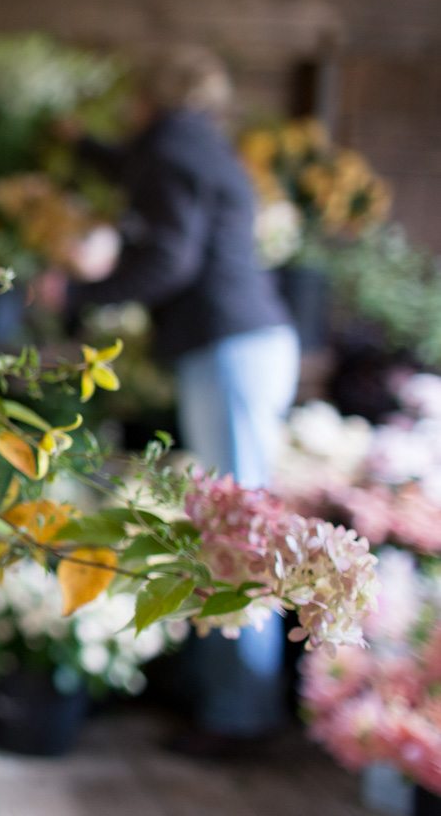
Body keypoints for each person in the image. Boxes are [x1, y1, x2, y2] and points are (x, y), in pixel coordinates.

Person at [66, 45, 299, 750]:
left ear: (150, 97)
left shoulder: (171, 150)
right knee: (231, 524)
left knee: (238, 533)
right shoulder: (188, 145)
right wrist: (84, 148)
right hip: (242, 346)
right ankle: (228, 699)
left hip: (228, 351)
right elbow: (140, 174)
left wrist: (82, 293)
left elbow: (171, 255)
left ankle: (241, 716)